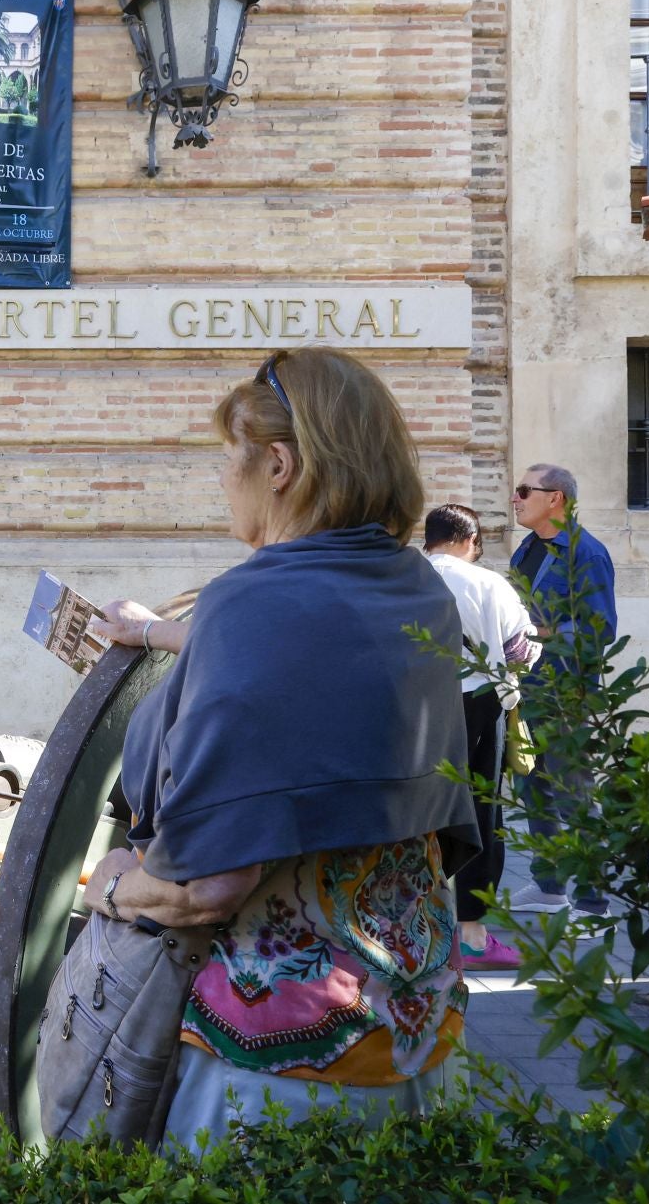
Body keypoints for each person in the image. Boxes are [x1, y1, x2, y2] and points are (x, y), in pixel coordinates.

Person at [88, 348, 477, 1148]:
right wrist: (159, 631)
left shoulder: (247, 602)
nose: (221, 478)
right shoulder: (421, 591)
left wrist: (112, 886)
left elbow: (206, 888)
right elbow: (306, 660)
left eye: (229, 457)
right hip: (421, 1042)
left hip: (279, 1068)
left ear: (280, 464)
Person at [424, 503, 541, 969]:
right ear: (471, 541)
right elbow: (521, 649)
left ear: (428, 538)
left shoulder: (400, 577)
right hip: (478, 704)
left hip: (412, 708)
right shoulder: (488, 583)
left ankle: (410, 925)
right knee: (480, 811)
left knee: (414, 806)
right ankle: (470, 934)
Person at [506, 464, 617, 916]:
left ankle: (593, 901)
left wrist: (546, 634)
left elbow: (601, 629)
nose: (515, 499)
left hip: (566, 692)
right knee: (532, 784)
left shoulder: (586, 554)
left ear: (556, 498)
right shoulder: (526, 550)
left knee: (573, 793)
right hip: (525, 689)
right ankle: (549, 886)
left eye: (524, 491)